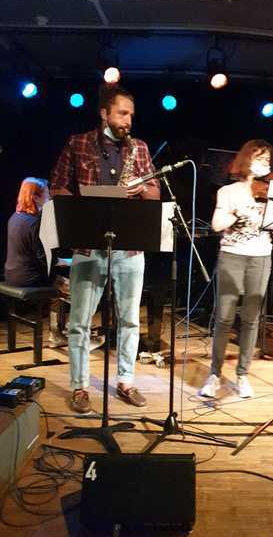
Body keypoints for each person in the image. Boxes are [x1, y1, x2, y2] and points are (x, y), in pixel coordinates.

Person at [50, 84, 160, 414]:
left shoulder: (139, 147)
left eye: (131, 115)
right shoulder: (78, 143)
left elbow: (154, 193)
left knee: (130, 320)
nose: (128, 121)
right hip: (89, 245)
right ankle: (80, 386)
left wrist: (140, 189)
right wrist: (85, 205)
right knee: (79, 322)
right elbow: (57, 187)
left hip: (130, 248)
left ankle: (126, 381)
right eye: (122, 114)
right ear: (104, 113)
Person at [199, 140, 273, 399]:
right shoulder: (228, 191)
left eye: (267, 160)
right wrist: (239, 212)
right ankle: (214, 374)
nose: (265, 163)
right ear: (246, 159)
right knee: (224, 317)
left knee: (252, 319)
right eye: (260, 158)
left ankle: (242, 375)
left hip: (261, 256)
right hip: (232, 255)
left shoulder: (271, 192)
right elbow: (217, 224)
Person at [4, 177, 69, 345]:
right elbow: (44, 259)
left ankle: (61, 330)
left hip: (11, 274)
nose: (50, 198)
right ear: (35, 197)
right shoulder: (34, 223)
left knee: (60, 282)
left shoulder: (15, 217)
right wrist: (67, 261)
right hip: (29, 278)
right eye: (47, 195)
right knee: (75, 289)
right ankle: (62, 333)